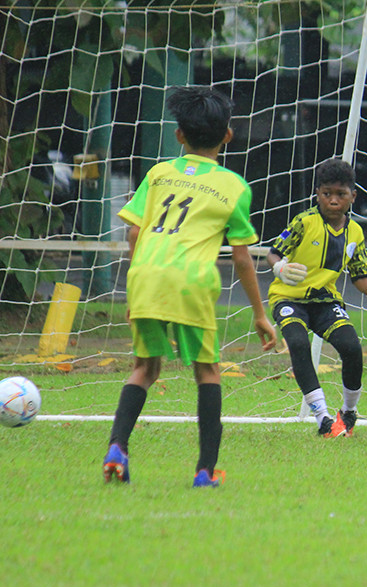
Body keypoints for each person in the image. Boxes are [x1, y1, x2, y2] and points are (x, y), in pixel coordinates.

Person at [102, 86, 277, 488]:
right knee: (208, 371)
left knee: (144, 369)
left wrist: (133, 291)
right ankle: (204, 471)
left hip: (146, 275)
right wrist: (259, 313)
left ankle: (117, 447)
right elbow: (241, 257)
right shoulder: (234, 186)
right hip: (191, 283)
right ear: (228, 136)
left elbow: (133, 234)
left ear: (179, 135)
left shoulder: (159, 173)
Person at [266, 158, 367, 439]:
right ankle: (323, 417)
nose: (333, 200)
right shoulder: (304, 222)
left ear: (353, 196)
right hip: (289, 299)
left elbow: (359, 273)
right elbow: (274, 252)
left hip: (326, 301)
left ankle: (348, 412)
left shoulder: (355, 232)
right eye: (327, 194)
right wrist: (280, 267)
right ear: (317, 194)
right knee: (298, 344)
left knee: (351, 348)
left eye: (341, 194)